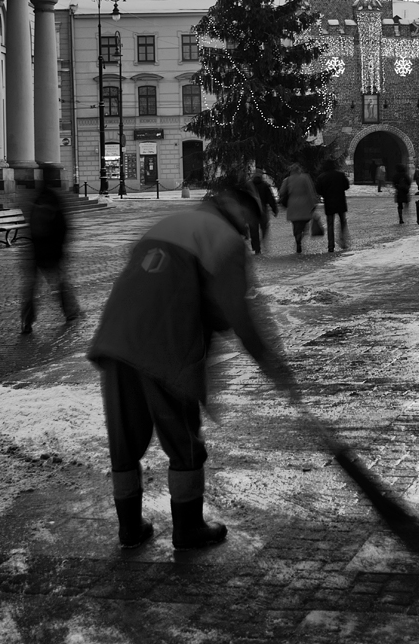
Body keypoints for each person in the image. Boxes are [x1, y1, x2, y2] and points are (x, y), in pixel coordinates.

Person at [88, 184, 293, 551]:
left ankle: (130, 529)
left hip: (115, 340)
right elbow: (239, 316)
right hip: (166, 348)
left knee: (124, 442)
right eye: (252, 223)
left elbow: (171, 287)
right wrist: (271, 365)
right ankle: (188, 528)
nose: (249, 233)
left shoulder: (172, 223)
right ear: (242, 211)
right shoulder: (224, 240)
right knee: (184, 443)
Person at [20, 177, 79, 334]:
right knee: (59, 284)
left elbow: (31, 226)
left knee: (31, 289)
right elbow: (63, 228)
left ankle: (27, 321)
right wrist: (61, 249)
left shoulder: (37, 198)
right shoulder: (55, 200)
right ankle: (70, 312)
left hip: (36, 251)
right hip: (51, 251)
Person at [278, 163, 319, 254]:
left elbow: (281, 191)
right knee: (304, 223)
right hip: (305, 204)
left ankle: (297, 239)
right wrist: (313, 204)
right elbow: (310, 191)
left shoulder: (287, 180)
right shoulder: (305, 177)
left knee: (295, 224)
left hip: (292, 204)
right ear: (299, 170)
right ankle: (301, 236)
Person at [315, 158, 350, 253]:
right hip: (340, 201)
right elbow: (347, 186)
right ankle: (342, 239)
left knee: (330, 224)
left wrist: (325, 193)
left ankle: (331, 245)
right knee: (342, 221)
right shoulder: (340, 175)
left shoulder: (322, 177)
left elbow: (318, 190)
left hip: (329, 202)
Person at [247, 169, 278, 254]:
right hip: (262, 210)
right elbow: (270, 198)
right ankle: (262, 241)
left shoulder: (248, 186)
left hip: (251, 211)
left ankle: (257, 248)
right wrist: (274, 209)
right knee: (264, 227)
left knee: (253, 230)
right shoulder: (265, 185)